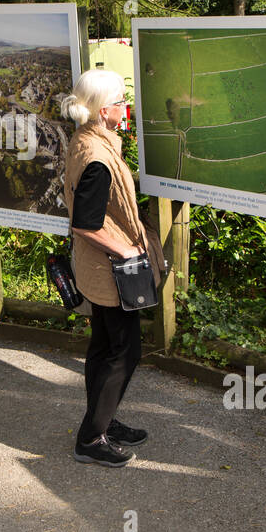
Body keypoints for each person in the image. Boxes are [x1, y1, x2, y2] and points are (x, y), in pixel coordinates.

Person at [60, 68, 163, 468]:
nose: (126, 107)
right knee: (125, 350)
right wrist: (124, 250)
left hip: (95, 267)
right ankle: (90, 438)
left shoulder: (87, 140)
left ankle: (101, 420)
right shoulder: (98, 159)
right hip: (110, 272)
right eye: (121, 101)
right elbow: (85, 223)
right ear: (105, 111)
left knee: (104, 346)